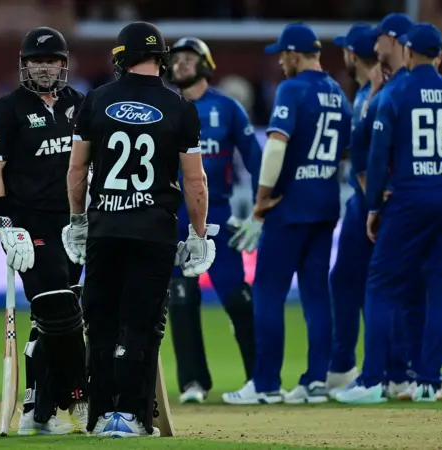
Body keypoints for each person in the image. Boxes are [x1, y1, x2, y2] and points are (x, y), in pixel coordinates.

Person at [62, 21, 217, 437]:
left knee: (100, 320)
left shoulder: (95, 100)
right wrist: (198, 235)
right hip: (153, 231)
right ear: (160, 59)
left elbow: (77, 170)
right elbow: (195, 182)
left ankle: (98, 415)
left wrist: (78, 221)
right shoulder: (182, 107)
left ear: (121, 58)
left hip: (104, 228)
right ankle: (130, 415)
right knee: (140, 323)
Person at [339, 23, 442, 404]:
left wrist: (374, 208)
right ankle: (430, 381)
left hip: (411, 196)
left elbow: (378, 156)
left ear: (410, 53)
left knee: (381, 283)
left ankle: (372, 380)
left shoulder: (395, 93)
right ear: (440, 55)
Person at [222, 23, 352, 405]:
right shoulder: (337, 93)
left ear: (295, 54)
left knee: (268, 294)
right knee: (316, 295)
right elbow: (344, 149)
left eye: (283, 54)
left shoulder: (292, 89)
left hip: (288, 205)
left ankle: (265, 385)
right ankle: (316, 381)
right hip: (327, 203)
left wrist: (262, 197)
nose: (280, 61)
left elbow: (276, 145)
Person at [0, 26, 88, 435]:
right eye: (36, 61)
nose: (44, 68)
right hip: (30, 226)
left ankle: (36, 410)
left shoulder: (79, 104)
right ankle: (78, 396)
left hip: (73, 224)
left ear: (63, 64)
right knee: (57, 307)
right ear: (24, 65)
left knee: (53, 317)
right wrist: (4, 227)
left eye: (51, 61)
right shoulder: (6, 110)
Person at [166, 36, 261, 404]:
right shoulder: (164, 108)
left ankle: (260, 378)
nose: (181, 64)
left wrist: (258, 211)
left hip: (217, 214)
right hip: (172, 217)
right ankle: (193, 383)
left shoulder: (229, 108)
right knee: (181, 299)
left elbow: (256, 162)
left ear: (205, 63)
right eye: (176, 59)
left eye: (189, 58)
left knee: (237, 297)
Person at [326, 23, 376, 391]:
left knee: (379, 286)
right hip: (362, 201)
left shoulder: (376, 92)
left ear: (352, 55)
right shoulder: (361, 93)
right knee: (345, 280)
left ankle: (391, 369)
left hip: (375, 200)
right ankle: (344, 365)